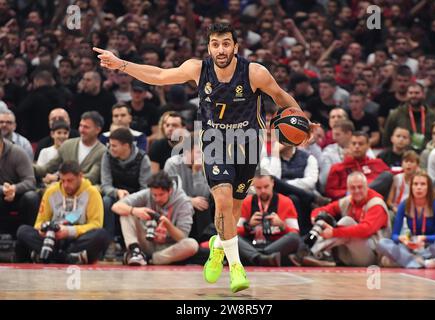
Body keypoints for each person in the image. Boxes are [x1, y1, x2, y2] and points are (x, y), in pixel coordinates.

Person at [94, 22, 315, 293]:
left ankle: (218, 246)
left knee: (233, 210)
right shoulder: (198, 69)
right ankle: (236, 268)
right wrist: (121, 64)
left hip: (247, 145)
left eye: (225, 43)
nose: (220, 49)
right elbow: (160, 75)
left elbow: (282, 98)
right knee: (222, 202)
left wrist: (303, 122)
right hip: (214, 144)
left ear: (236, 46)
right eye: (215, 44)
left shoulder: (255, 73)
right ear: (209, 46)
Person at [15, 161, 110, 264]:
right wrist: (43, 230)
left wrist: (70, 231)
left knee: (101, 235)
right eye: (62, 180)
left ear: (80, 176)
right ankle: (67, 258)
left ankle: (52, 257)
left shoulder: (92, 193)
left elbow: (96, 224)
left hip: (77, 239)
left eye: (70, 181)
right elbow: (39, 222)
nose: (65, 185)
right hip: (54, 238)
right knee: (22, 231)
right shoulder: (51, 191)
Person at [290, 172, 391, 267]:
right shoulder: (349, 200)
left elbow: (365, 230)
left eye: (360, 187)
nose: (356, 191)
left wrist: (334, 232)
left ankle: (309, 252)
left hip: (372, 256)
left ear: (366, 187)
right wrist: (316, 217)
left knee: (346, 222)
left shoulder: (376, 204)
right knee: (322, 220)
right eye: (353, 188)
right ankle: (319, 253)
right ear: (348, 189)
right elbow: (324, 209)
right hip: (351, 253)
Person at [111, 171, 199, 266]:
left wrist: (168, 224)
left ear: (170, 190)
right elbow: (116, 206)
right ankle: (135, 252)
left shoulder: (184, 203)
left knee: (192, 245)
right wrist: (134, 210)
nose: (157, 199)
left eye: (161, 195)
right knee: (126, 212)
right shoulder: (148, 193)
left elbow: (182, 237)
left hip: (168, 247)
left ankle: (152, 259)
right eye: (154, 195)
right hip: (147, 240)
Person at [377, 171, 435, 269]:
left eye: (423, 184)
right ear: (411, 187)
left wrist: (424, 238)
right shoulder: (404, 204)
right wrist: (402, 239)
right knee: (382, 243)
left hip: (429, 246)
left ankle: (407, 262)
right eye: (415, 184)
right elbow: (394, 235)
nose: (418, 187)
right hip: (410, 246)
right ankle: (424, 263)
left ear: (429, 187)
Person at [101, 127, 152, 260]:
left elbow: (145, 188)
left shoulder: (142, 158)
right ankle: (109, 243)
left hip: (135, 197)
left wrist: (132, 198)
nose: (111, 148)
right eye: (110, 145)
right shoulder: (106, 156)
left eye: (114, 146)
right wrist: (117, 192)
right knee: (106, 201)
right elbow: (105, 185)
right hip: (115, 195)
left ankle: (136, 245)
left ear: (126, 146)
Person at [237, 175, 301, 266]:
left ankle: (256, 256)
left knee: (294, 238)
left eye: (266, 187)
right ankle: (263, 258)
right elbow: (235, 231)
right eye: (258, 188)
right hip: (251, 243)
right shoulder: (247, 202)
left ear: (273, 183)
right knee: (231, 238)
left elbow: (295, 233)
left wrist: (282, 225)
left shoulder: (286, 202)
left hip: (275, 245)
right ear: (253, 186)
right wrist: (248, 226)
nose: (263, 191)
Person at [34, 111, 107, 186]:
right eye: (81, 126)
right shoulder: (67, 145)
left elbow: (92, 177)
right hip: (63, 190)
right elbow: (48, 168)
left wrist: (59, 178)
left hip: (87, 192)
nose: (81, 130)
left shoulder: (102, 152)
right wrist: (30, 167)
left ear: (98, 130)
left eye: (86, 127)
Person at [164, 134, 211, 242]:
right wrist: (189, 200)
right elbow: (170, 193)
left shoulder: (206, 165)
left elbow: (203, 194)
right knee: (194, 204)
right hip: (177, 203)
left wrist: (196, 172)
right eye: (199, 152)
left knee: (204, 202)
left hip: (199, 204)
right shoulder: (172, 164)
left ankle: (204, 243)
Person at [326, 132, 393, 200]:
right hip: (349, 202)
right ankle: (361, 193)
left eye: (360, 144)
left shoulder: (377, 163)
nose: (357, 147)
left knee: (387, 175)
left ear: (368, 146)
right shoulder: (338, 168)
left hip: (375, 201)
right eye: (354, 144)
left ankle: (363, 192)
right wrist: (350, 193)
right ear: (349, 145)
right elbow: (330, 191)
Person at [0, 133, 40, 234]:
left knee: (32, 197)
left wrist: (14, 188)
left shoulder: (17, 152)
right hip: (1, 194)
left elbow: (31, 181)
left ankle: (32, 235)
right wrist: (3, 189)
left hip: (20, 196)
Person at [382, 83, 435, 152]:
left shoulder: (432, 116)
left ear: (423, 95)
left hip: (426, 154)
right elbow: (386, 138)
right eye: (410, 93)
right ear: (406, 95)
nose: (413, 96)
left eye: (417, 93)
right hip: (402, 156)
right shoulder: (396, 114)